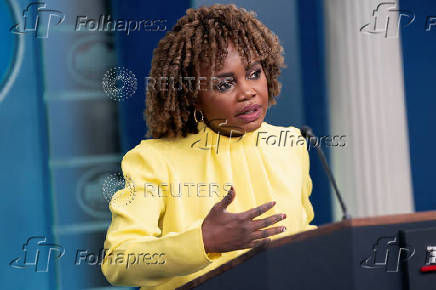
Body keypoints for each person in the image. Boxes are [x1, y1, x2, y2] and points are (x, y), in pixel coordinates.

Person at [101, 4, 317, 289]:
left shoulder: (290, 144)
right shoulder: (154, 161)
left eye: (254, 73)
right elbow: (119, 262)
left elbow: (306, 235)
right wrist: (203, 241)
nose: (248, 92)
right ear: (191, 95)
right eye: (225, 84)